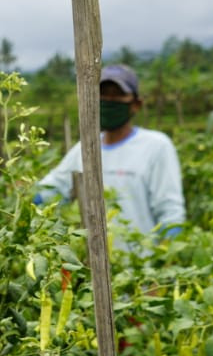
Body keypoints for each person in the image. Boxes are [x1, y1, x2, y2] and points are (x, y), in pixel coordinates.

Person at [34, 64, 186, 247]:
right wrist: (26, 195)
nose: (108, 100)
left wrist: (168, 256)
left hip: (141, 268)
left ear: (136, 104)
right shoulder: (85, 149)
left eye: (117, 94)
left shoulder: (156, 146)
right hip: (92, 267)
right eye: (102, 94)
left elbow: (170, 210)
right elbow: (54, 189)